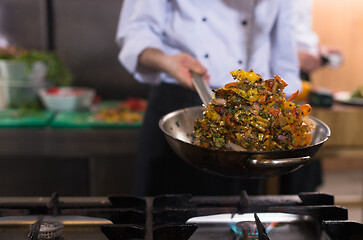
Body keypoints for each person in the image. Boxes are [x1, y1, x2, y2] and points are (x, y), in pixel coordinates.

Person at [116, 0, 302, 197]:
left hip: (256, 118)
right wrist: (166, 61)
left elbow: (285, 58)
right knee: (165, 214)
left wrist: (283, 118)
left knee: (239, 218)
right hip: (180, 109)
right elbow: (137, 31)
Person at [280, 0, 343, 194]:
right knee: (284, 144)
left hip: (300, 73)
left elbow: (297, 30)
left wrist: (318, 50)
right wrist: (294, 56)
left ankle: (304, 205)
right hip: (279, 70)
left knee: (304, 137)